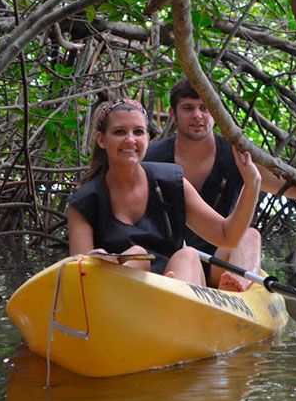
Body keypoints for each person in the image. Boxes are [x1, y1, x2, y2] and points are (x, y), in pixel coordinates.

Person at [144, 82, 296, 292]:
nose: (197, 116)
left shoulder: (238, 156)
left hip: (218, 261)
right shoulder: (150, 158)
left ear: (217, 113)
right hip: (168, 262)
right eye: (188, 108)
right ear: (173, 114)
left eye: (204, 108)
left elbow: (293, 188)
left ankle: (233, 291)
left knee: (249, 235)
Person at [68, 98, 261, 287]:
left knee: (189, 255)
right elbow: (81, 277)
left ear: (147, 138)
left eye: (138, 132)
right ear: (102, 139)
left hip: (176, 282)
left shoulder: (170, 182)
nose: (130, 140)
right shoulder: (84, 202)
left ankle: (177, 297)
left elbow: (227, 236)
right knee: (137, 254)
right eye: (119, 132)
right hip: (120, 290)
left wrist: (252, 184)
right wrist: (95, 261)